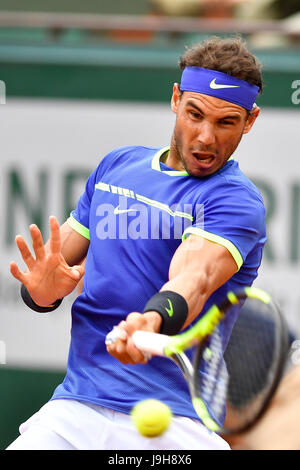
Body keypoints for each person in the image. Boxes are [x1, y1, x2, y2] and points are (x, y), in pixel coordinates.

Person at [7, 36, 266, 450]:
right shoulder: (117, 166)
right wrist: (40, 293)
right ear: (176, 99)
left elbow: (194, 277)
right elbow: (55, 274)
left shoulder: (236, 201)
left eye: (226, 122)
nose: (205, 137)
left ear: (249, 121)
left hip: (178, 424)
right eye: (194, 114)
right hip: (77, 406)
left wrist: (151, 321)